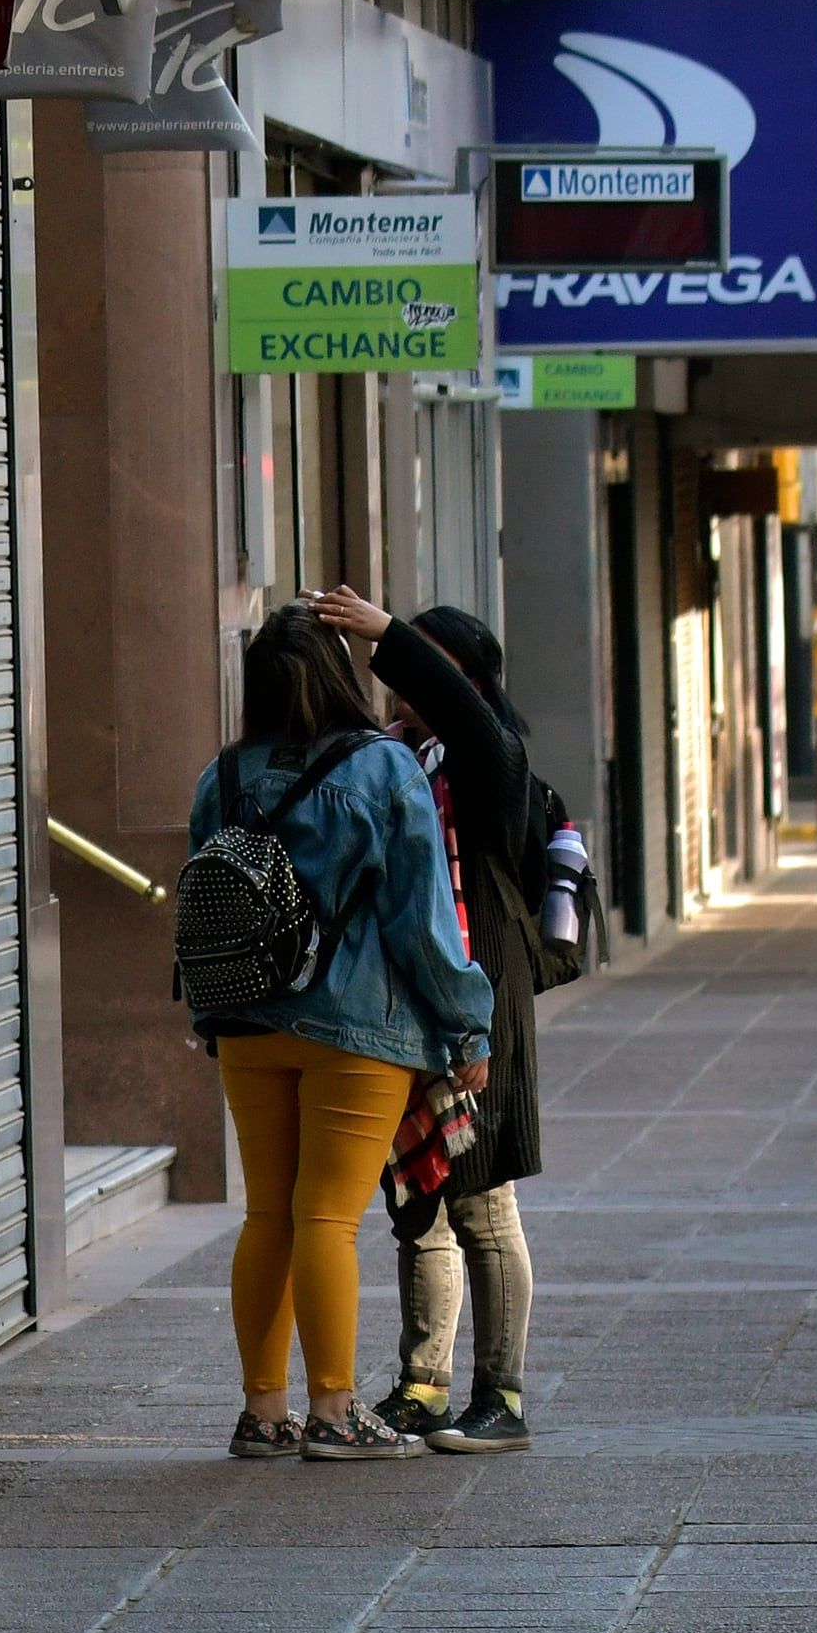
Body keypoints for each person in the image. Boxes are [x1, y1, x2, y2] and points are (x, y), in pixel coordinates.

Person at [190, 606, 495, 1464]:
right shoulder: (383, 768)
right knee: (327, 1214)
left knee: (267, 1214)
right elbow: (421, 921)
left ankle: (263, 1409)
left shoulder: (222, 775)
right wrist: (467, 1023)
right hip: (356, 1027)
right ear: (337, 675)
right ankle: (333, 1411)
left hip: (246, 1019)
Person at [312, 589, 544, 1456]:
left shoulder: (495, 760)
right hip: (414, 1006)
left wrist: (390, 637)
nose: (401, 692)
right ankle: (423, 1383)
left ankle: (504, 1395)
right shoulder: (397, 760)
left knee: (484, 1205)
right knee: (419, 1201)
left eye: (423, 678)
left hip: (482, 1010)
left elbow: (473, 720)